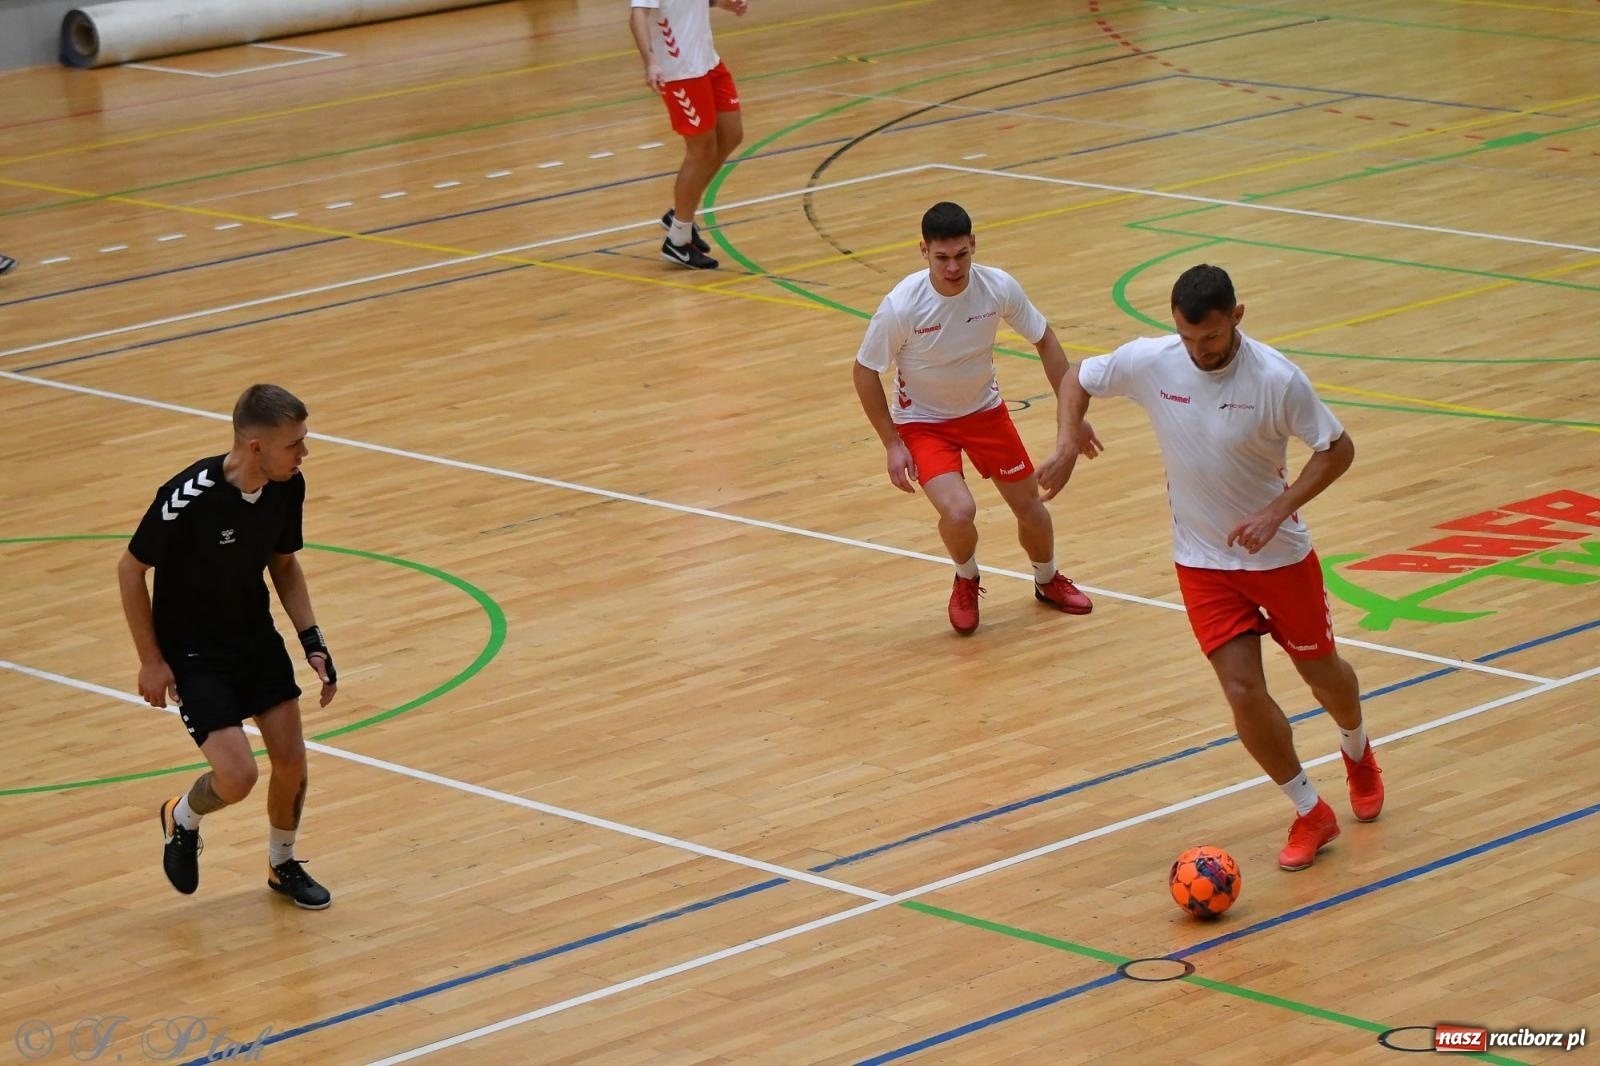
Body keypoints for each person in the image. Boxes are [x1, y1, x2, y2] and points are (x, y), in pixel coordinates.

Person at [1038, 264, 1384, 871]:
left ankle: (1357, 749)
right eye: (1190, 337)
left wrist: (1279, 510)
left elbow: (1338, 450)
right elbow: (1076, 377)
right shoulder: (1156, 360)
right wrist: (1068, 440)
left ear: (1237, 318)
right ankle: (1310, 810)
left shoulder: (1278, 379)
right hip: (1201, 561)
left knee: (1321, 673)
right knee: (1241, 691)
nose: (1200, 351)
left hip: (1278, 558)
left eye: (1213, 338)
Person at [118, 384, 339, 908]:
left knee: (292, 762)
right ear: (257, 446)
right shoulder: (189, 496)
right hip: (193, 652)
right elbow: (130, 570)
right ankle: (183, 817)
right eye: (296, 444)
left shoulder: (288, 486)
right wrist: (151, 661)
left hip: (253, 638)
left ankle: (282, 864)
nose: (304, 454)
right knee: (238, 776)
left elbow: (283, 563)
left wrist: (313, 640)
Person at [853, 201, 1101, 636]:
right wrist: (892, 443)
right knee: (960, 512)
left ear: (973, 245)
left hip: (985, 413)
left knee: (1032, 509)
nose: (953, 267)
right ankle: (966, 577)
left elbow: (1045, 340)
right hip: (923, 424)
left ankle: (1047, 580)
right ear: (923, 251)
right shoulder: (902, 306)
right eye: (941, 257)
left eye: (962, 255)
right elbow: (864, 370)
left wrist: (1073, 418)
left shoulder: (997, 287)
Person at [629, 0, 748, 270]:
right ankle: (678, 241)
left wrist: (723, 3)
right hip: (680, 71)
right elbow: (638, 14)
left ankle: (678, 213)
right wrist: (650, 63)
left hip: (708, 61)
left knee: (731, 134)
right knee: (701, 150)